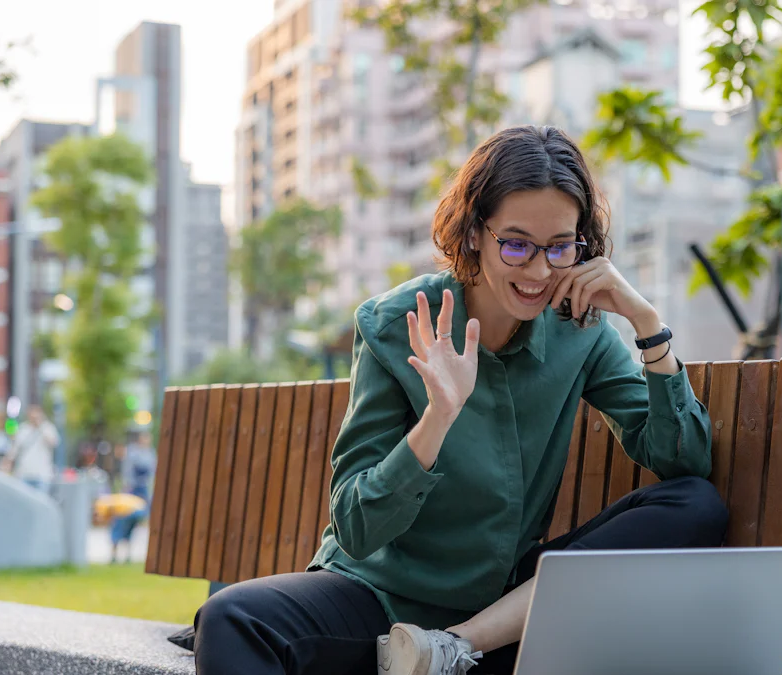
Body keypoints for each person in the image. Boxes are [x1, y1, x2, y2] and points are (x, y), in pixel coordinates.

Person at [190, 126, 728, 675]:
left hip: (498, 618)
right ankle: (431, 651)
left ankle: (450, 648)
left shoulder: (581, 329)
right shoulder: (395, 324)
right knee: (231, 617)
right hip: (380, 603)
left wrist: (647, 325)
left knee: (694, 505)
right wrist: (436, 419)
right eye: (516, 244)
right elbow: (355, 528)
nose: (541, 271)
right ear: (474, 232)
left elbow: (684, 462)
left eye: (560, 246)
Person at [0, 404, 59, 494]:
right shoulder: (23, 429)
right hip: (24, 473)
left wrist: (40, 426)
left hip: (42, 475)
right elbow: (14, 450)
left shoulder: (47, 428)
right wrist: (5, 465)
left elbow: (53, 443)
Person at [92, 491, 148, 564]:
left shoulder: (100, 503)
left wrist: (102, 522)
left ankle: (114, 558)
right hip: (140, 509)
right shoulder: (109, 498)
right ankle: (128, 557)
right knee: (128, 535)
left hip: (126, 511)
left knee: (115, 535)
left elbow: (102, 518)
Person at [120, 431, 157, 502]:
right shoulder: (133, 451)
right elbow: (127, 468)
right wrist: (126, 483)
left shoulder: (151, 452)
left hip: (145, 484)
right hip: (133, 484)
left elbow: (153, 469)